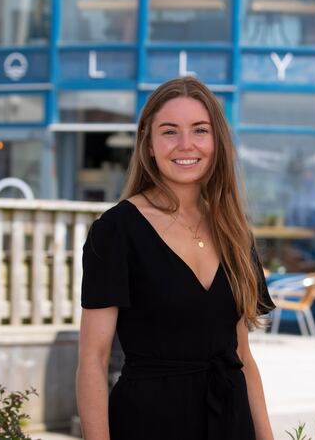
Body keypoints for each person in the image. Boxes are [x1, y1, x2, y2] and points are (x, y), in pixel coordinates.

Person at [76, 77, 275, 440]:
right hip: (147, 424)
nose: (186, 145)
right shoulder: (116, 230)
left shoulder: (234, 231)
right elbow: (92, 358)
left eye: (200, 130)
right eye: (170, 131)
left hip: (231, 425)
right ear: (148, 145)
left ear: (217, 142)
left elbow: (242, 356)